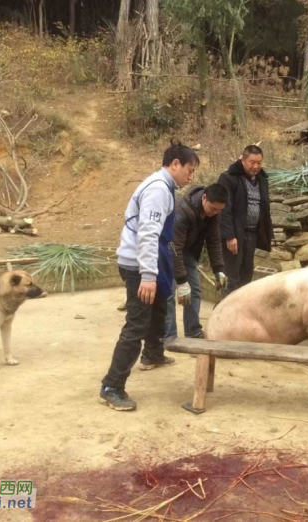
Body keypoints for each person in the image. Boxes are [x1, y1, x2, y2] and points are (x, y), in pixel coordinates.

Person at [99, 141, 199, 412]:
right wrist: (147, 276)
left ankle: (153, 354)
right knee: (137, 325)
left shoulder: (164, 186)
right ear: (174, 164)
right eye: (189, 170)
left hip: (147, 262)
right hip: (138, 265)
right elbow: (148, 234)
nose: (191, 177)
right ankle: (112, 386)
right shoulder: (157, 189)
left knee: (158, 309)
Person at [165, 183, 229, 341]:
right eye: (213, 209)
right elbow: (175, 247)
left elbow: (213, 241)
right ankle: (168, 335)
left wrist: (218, 269)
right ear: (204, 198)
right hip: (168, 250)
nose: (215, 213)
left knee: (195, 290)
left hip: (188, 252)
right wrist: (181, 281)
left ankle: (193, 331)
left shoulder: (214, 213)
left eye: (219, 210)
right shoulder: (183, 210)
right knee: (168, 293)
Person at [217, 145, 273, 293]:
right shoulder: (229, 178)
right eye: (252, 162)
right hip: (235, 234)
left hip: (252, 233)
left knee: (246, 275)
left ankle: (241, 312)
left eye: (259, 162)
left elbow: (264, 207)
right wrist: (230, 236)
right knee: (231, 275)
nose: (256, 166)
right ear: (242, 160)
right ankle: (227, 311)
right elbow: (225, 208)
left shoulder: (262, 179)